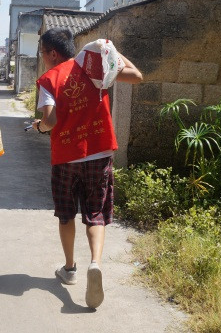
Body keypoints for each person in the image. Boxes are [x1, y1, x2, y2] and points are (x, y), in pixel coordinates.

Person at [32, 28, 142, 308]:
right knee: (96, 213)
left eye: (42, 53)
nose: (43, 58)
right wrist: (110, 50)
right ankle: (95, 263)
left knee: (66, 214)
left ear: (52, 53)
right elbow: (136, 76)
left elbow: (50, 121)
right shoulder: (95, 67)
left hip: (67, 156)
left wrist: (39, 127)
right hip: (98, 151)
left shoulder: (49, 79)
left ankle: (70, 269)